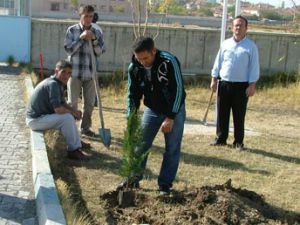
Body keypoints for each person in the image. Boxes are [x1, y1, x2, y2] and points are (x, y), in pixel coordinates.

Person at [117, 37, 186, 196]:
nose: (143, 62)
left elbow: (179, 90)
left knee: (172, 147)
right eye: (139, 58)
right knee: (141, 144)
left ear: (153, 51)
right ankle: (133, 179)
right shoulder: (134, 67)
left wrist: (170, 117)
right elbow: (133, 94)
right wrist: (131, 117)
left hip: (174, 108)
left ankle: (165, 185)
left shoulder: (169, 61)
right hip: (152, 109)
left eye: (146, 58)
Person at [210, 15, 260, 150]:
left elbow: (254, 67)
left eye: (241, 25)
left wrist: (252, 85)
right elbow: (218, 62)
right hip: (224, 84)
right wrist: (214, 79)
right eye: (236, 25)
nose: (238, 28)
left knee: (239, 115)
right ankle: (220, 139)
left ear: (246, 28)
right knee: (222, 114)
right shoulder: (225, 44)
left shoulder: (251, 47)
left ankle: (238, 142)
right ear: (232, 27)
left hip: (241, 86)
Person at [26, 60, 90, 160]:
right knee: (67, 118)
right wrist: (72, 113)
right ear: (56, 71)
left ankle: (76, 141)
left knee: (69, 114)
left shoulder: (57, 83)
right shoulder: (53, 84)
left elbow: (63, 103)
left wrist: (74, 111)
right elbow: (58, 110)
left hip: (40, 118)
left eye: (69, 73)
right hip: (35, 120)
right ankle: (73, 150)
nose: (66, 76)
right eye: (63, 72)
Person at [64, 5, 104, 137]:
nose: (88, 19)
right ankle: (71, 128)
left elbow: (99, 52)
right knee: (72, 103)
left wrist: (93, 40)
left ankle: (85, 128)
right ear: (80, 16)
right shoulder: (72, 30)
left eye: (91, 16)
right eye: (86, 16)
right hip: (74, 73)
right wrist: (81, 38)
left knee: (90, 104)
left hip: (90, 74)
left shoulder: (97, 32)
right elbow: (69, 50)